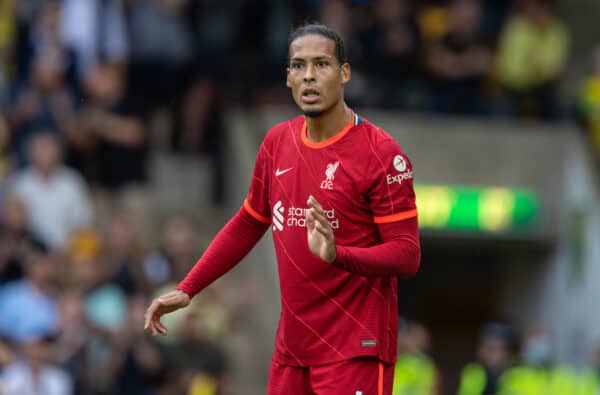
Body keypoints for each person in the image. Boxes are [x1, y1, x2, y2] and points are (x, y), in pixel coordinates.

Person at [145, 23, 421, 395]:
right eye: (298, 65)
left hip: (355, 349)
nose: (309, 76)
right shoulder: (278, 142)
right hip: (293, 350)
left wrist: (339, 255)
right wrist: (189, 288)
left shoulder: (380, 153)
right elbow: (248, 222)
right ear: (288, 77)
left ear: (344, 73)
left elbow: (407, 255)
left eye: (321, 64)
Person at [457, 322, 519, 395]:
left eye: (493, 348)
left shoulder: (522, 378)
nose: (486, 352)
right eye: (484, 346)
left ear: (508, 352)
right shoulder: (473, 372)